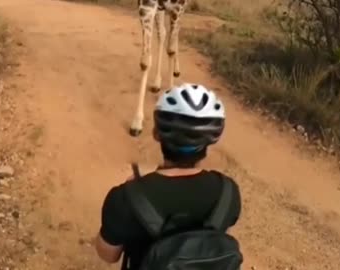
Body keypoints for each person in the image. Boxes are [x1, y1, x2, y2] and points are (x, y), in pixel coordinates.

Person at [94, 83, 242, 270]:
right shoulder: (228, 191)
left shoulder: (125, 198)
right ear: (212, 138)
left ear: (156, 134)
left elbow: (108, 254)